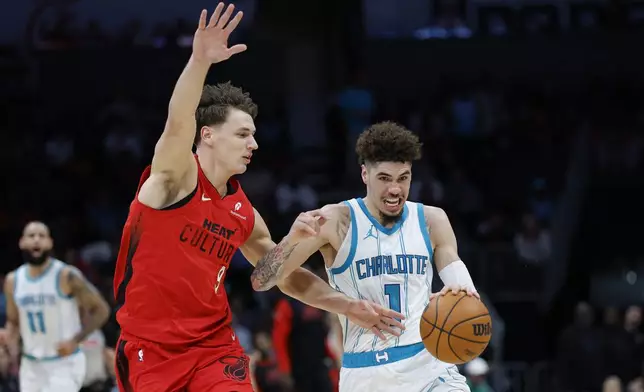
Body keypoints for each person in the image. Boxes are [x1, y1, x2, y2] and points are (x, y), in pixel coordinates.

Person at [112, 4, 403, 391]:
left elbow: (279, 277)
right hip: (151, 350)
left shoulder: (243, 213)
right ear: (208, 135)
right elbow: (178, 121)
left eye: (253, 134)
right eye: (243, 134)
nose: (254, 143)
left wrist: (347, 306)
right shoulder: (172, 180)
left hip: (214, 347)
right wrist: (199, 61)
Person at [251, 121, 479, 391]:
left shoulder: (432, 219)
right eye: (384, 178)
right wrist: (291, 240)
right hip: (366, 373)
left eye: (403, 178)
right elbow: (262, 280)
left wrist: (462, 289)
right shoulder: (336, 220)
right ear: (364, 174)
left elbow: (452, 265)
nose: (395, 189)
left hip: (427, 367)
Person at [1, 221, 111, 392]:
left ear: (50, 243)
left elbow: (102, 310)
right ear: (22, 242)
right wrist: (7, 335)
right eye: (31, 236)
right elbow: (13, 321)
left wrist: (76, 340)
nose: (36, 240)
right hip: (31, 365)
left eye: (41, 236)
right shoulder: (12, 281)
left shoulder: (66, 275)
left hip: (64, 363)